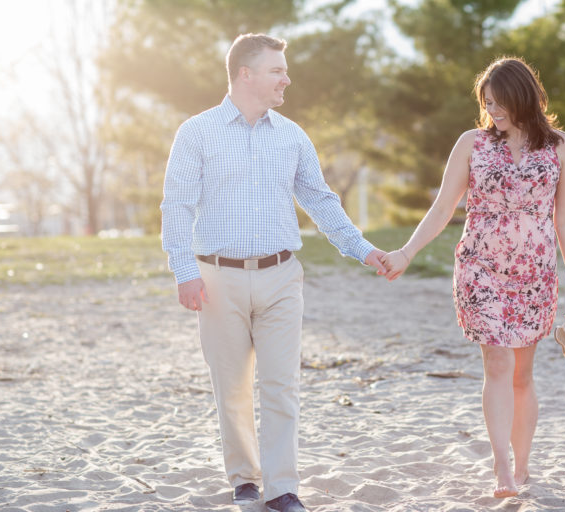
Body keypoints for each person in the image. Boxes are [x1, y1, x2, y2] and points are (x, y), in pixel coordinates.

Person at [160, 33, 386, 512]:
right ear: (246, 73)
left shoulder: (291, 135)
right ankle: (245, 478)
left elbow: (320, 200)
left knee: (282, 385)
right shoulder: (196, 133)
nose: (287, 78)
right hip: (216, 278)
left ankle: (282, 488)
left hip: (282, 275)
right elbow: (176, 206)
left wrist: (363, 250)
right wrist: (184, 271)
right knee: (233, 386)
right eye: (277, 70)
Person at [380, 57, 565, 498]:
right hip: (481, 269)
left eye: (501, 102)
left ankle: (523, 462)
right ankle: (501, 469)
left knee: (522, 375)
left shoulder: (560, 146)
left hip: (535, 273)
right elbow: (442, 207)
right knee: (497, 363)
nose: (493, 111)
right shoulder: (472, 143)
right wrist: (406, 252)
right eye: (488, 103)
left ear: (524, 97)